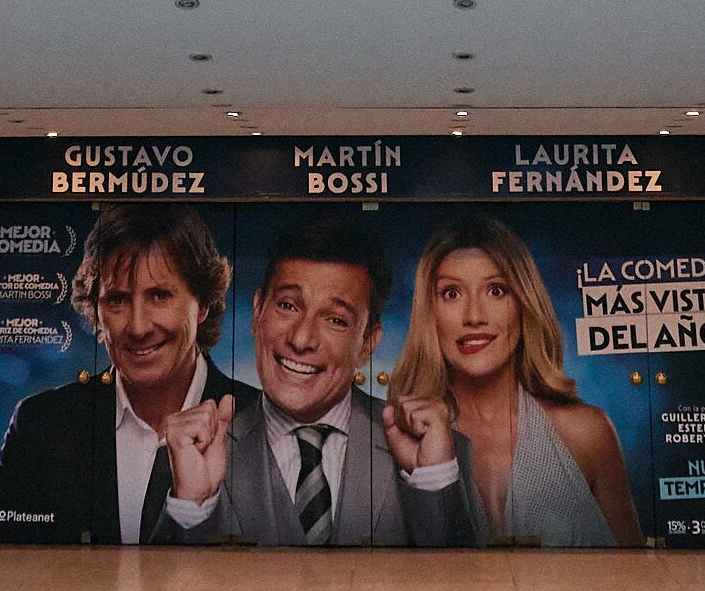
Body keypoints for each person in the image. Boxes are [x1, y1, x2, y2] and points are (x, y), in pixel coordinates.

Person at [155, 213, 477, 547]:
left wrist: (432, 481)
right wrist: (191, 508)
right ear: (257, 312)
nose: (302, 339)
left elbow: (468, 577)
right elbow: (158, 578)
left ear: (367, 344)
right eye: (288, 305)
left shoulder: (442, 453)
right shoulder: (185, 456)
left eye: (336, 320)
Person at [0, 202, 247, 543]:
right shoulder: (39, 424)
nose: (138, 327)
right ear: (96, 310)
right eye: (117, 300)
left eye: (160, 296)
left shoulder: (260, 419)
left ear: (203, 304)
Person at [390, 213, 636, 547]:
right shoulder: (399, 438)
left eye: (496, 290)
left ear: (524, 303)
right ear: (429, 312)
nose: (474, 316)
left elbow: (635, 568)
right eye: (451, 293)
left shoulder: (586, 432)